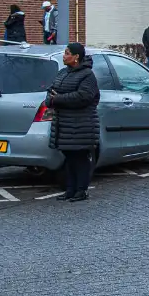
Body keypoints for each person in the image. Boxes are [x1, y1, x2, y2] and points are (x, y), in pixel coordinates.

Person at [47, 43, 100, 202]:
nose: (64, 56)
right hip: (63, 124)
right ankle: (70, 190)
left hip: (81, 125)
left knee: (80, 158)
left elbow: (83, 97)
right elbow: (50, 93)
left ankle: (81, 190)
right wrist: (52, 99)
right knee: (69, 158)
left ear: (76, 57)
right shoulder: (63, 73)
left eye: (67, 53)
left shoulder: (87, 75)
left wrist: (58, 98)